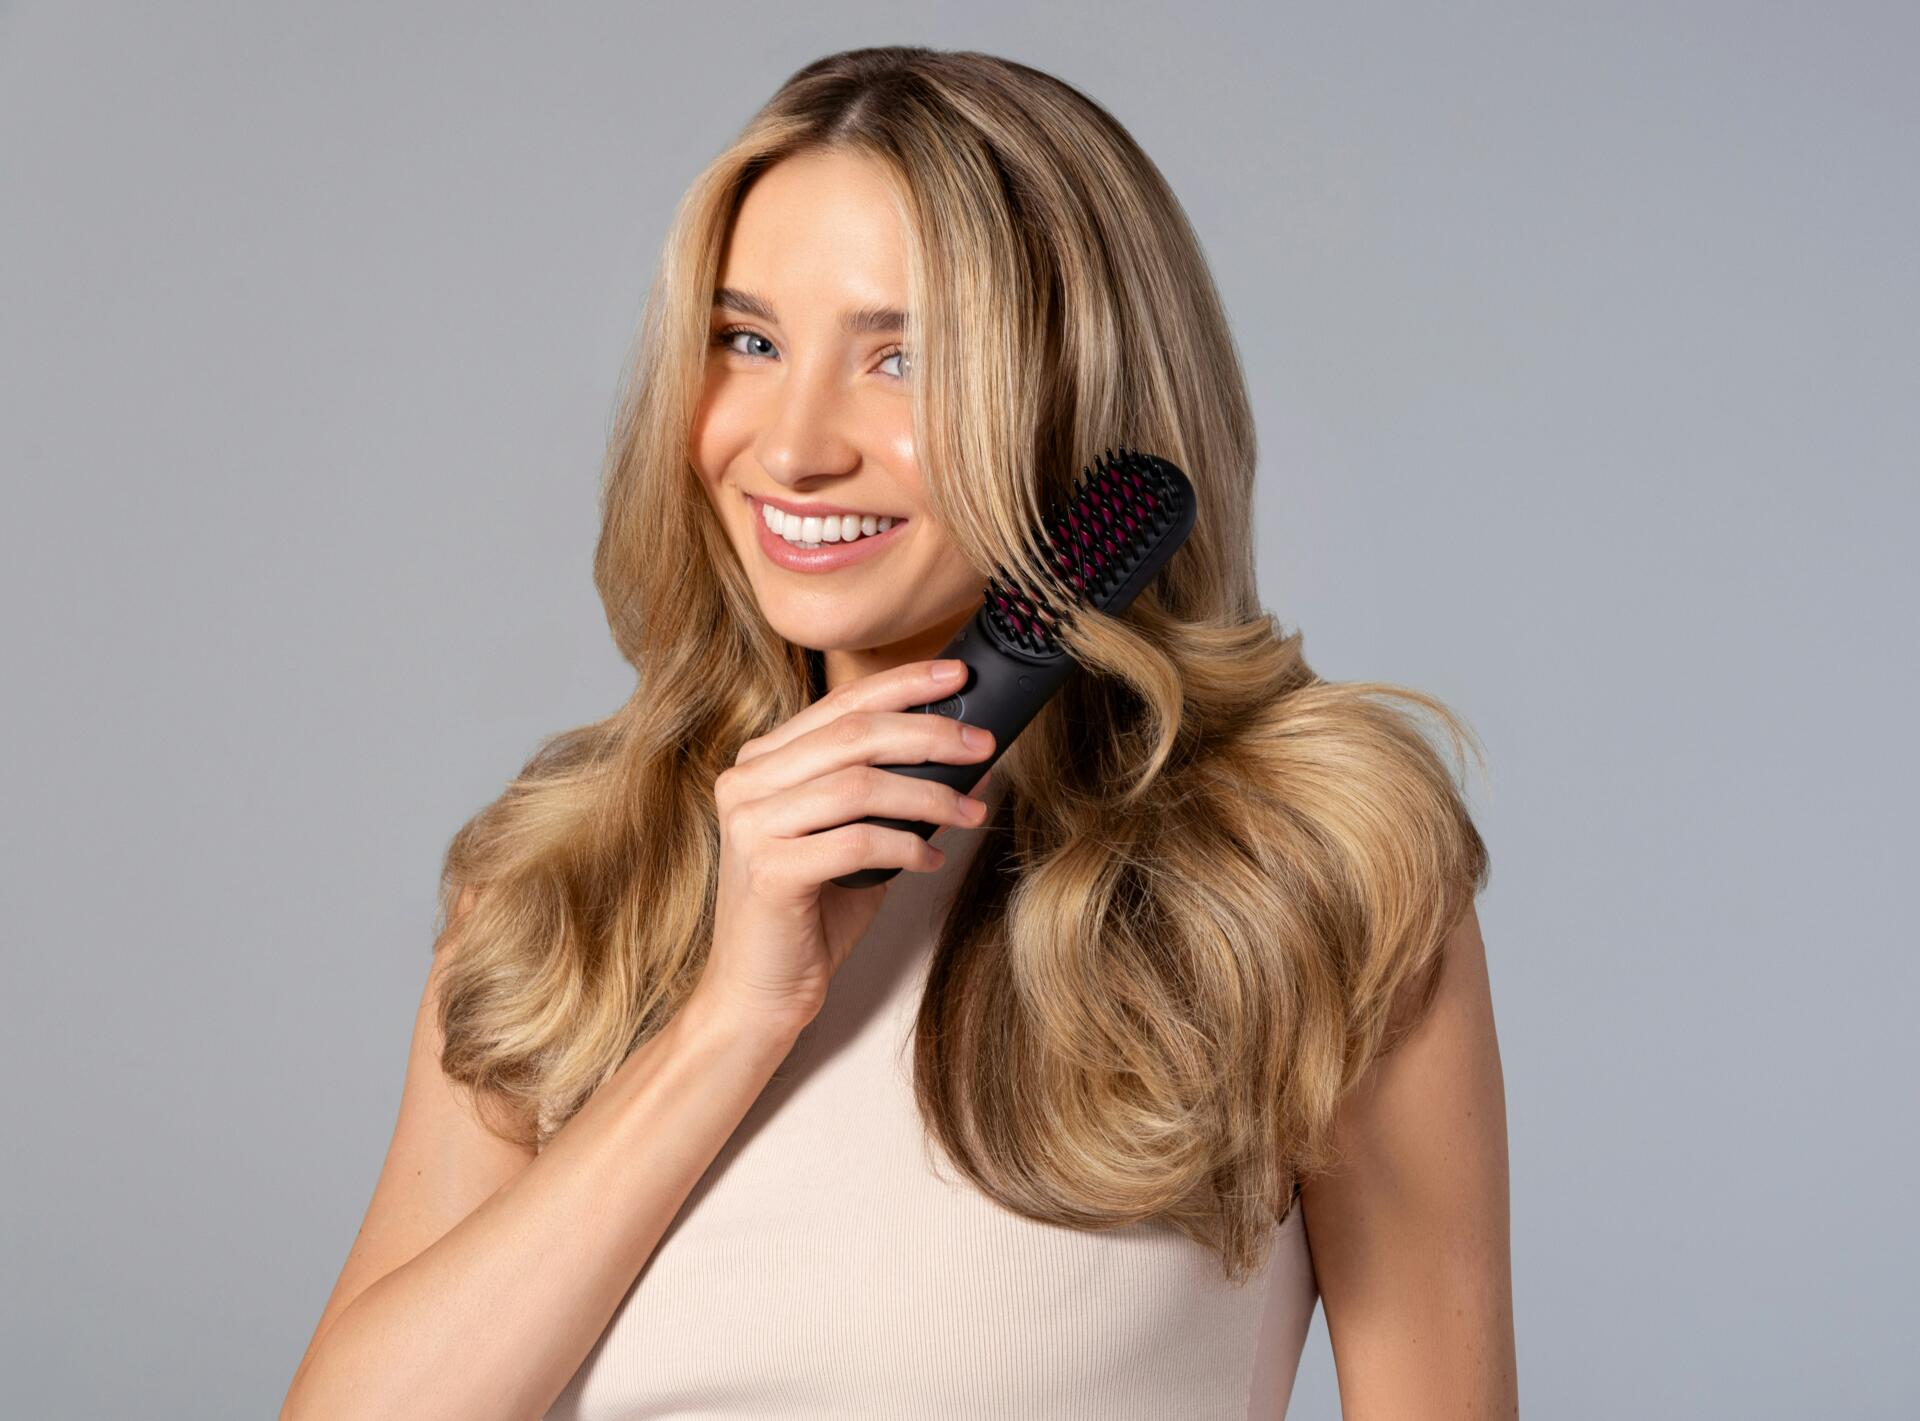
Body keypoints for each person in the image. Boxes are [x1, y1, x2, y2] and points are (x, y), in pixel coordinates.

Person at [281, 45, 1514, 1421]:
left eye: (903, 356)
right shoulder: (561, 875)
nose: (794, 444)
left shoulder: (1308, 873)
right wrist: (729, 1022)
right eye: (748, 341)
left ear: (1083, 406)